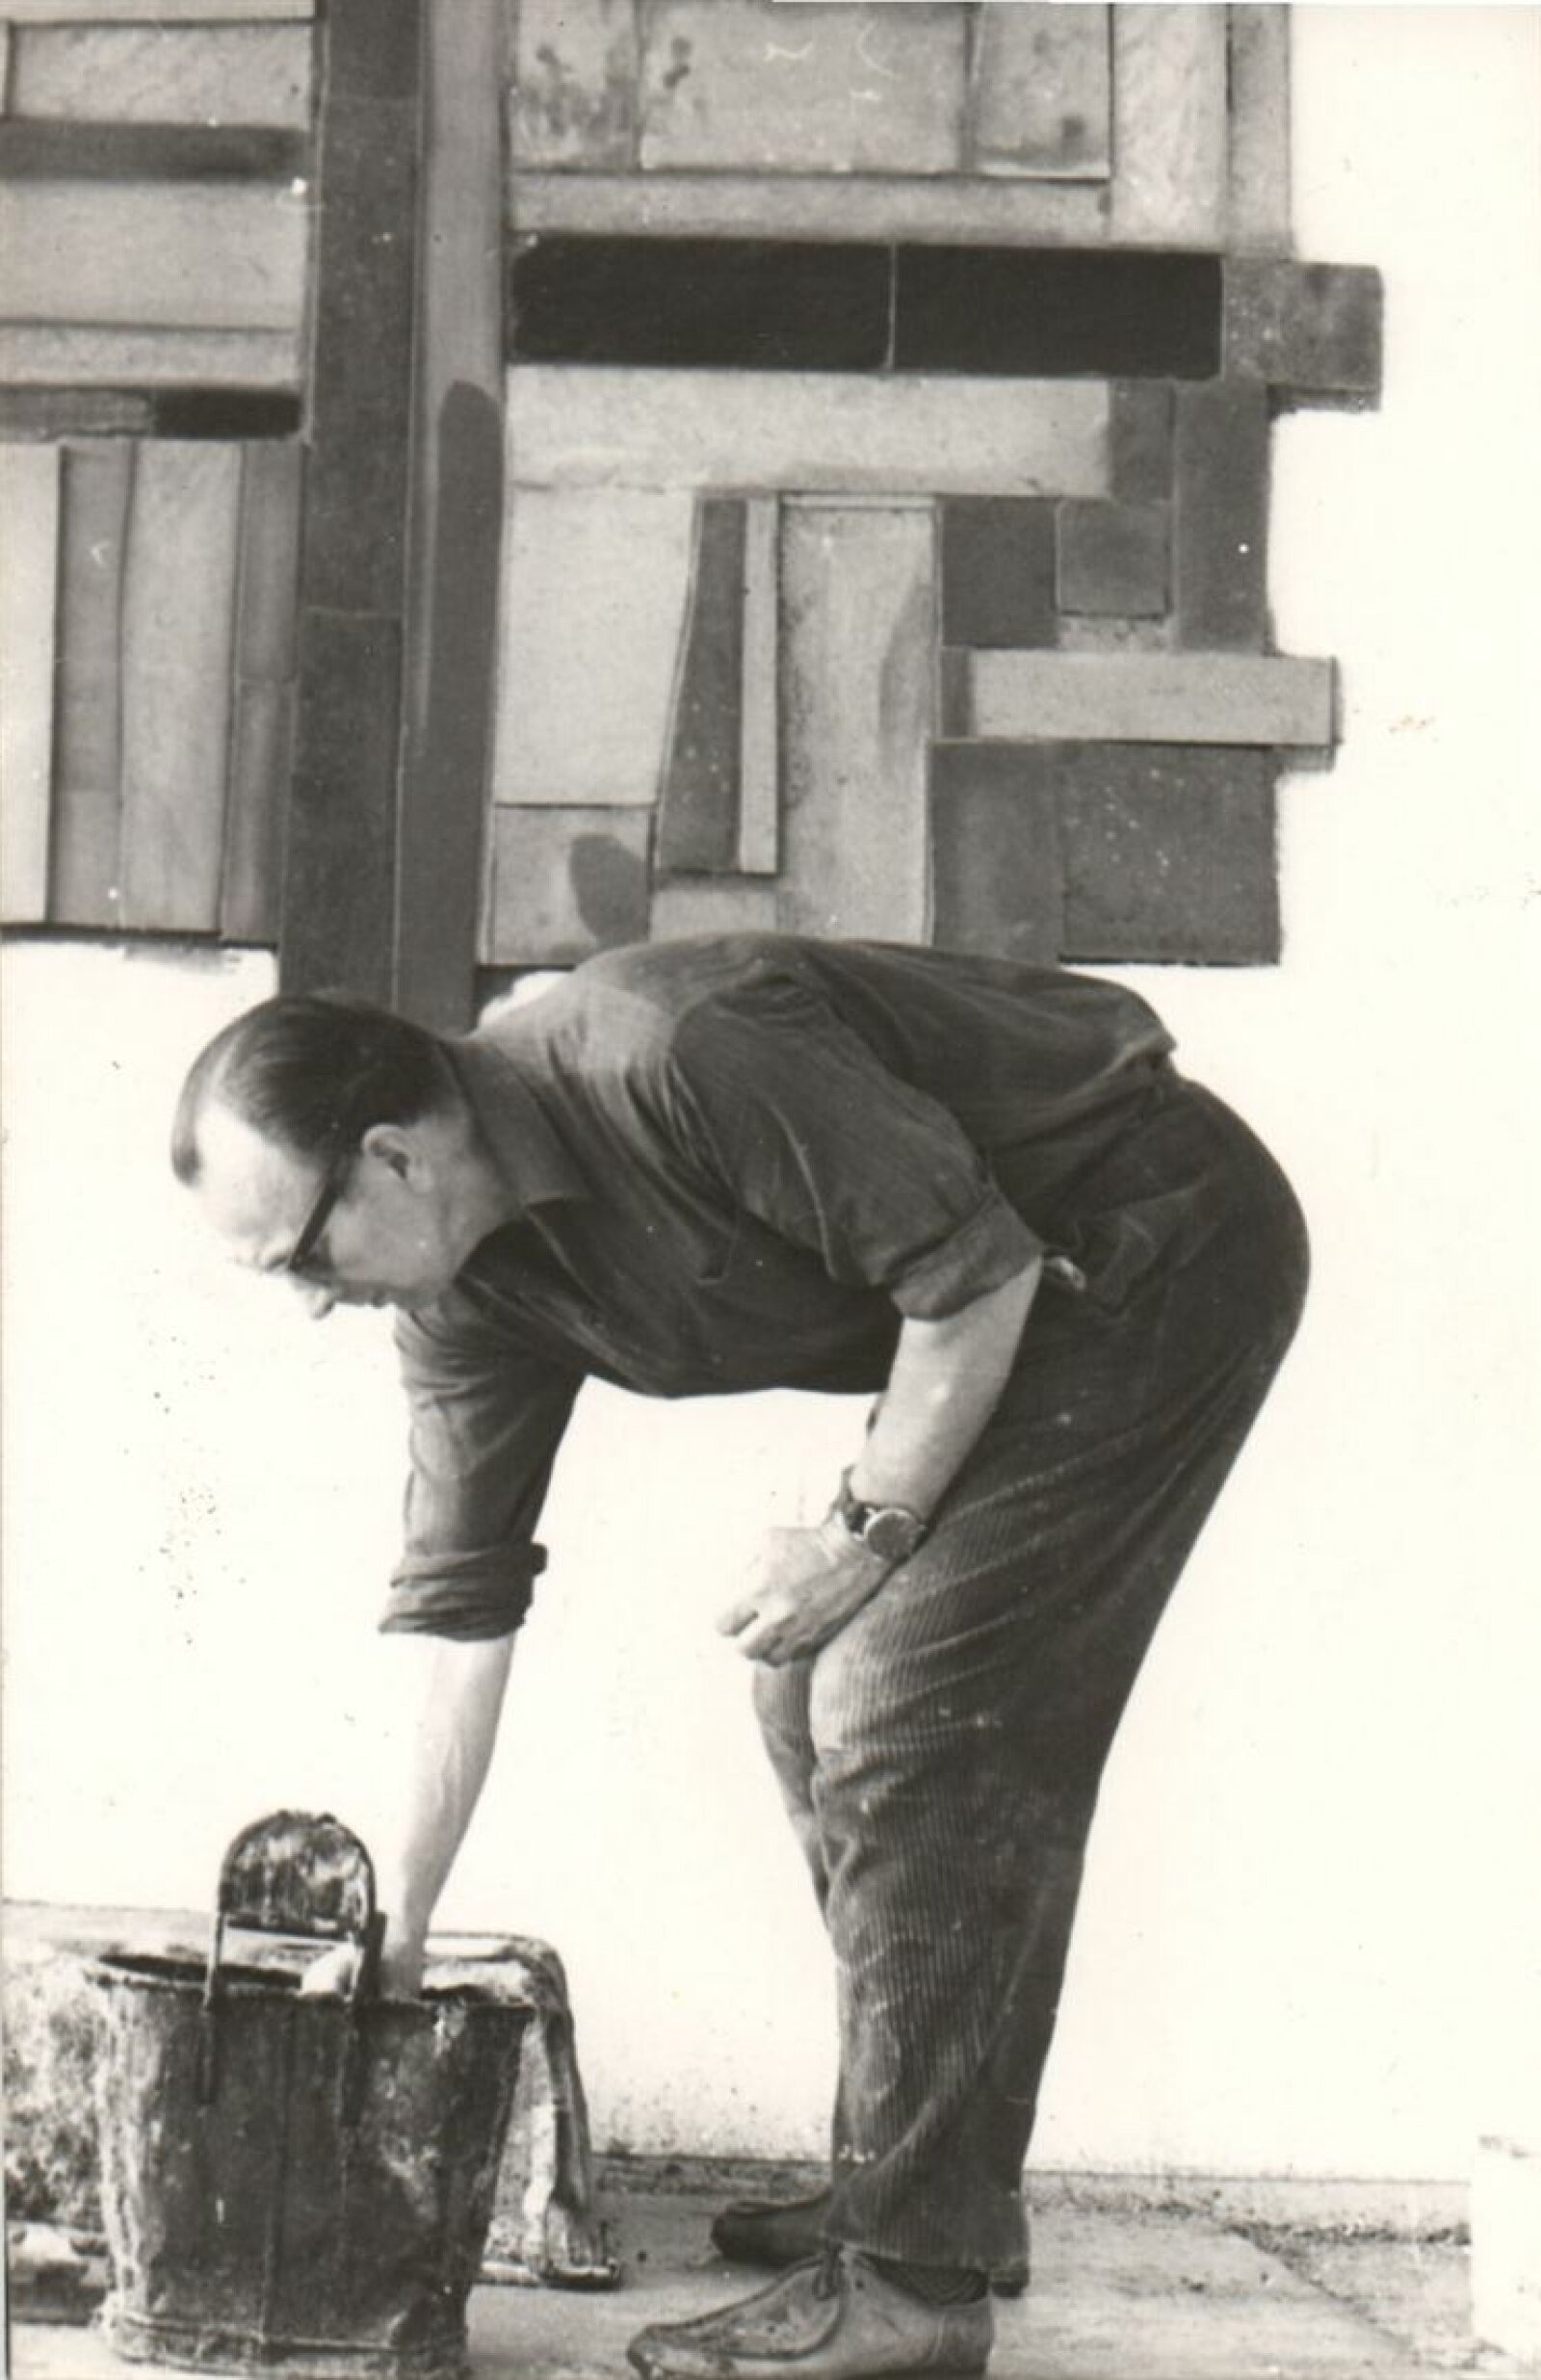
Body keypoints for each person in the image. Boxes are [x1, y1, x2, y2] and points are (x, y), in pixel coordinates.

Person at [173, 931, 1308, 2380]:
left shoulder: (674, 1049)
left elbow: (973, 1278)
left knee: (902, 1702)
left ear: (393, 1158)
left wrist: (859, 1534)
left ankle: (912, 2282)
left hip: (1155, 1246)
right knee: (806, 1683)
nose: (312, 1302)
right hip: (1013, 1305)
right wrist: (399, 1933)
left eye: (304, 1255)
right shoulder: (466, 1294)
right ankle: (929, 2188)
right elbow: (463, 1619)